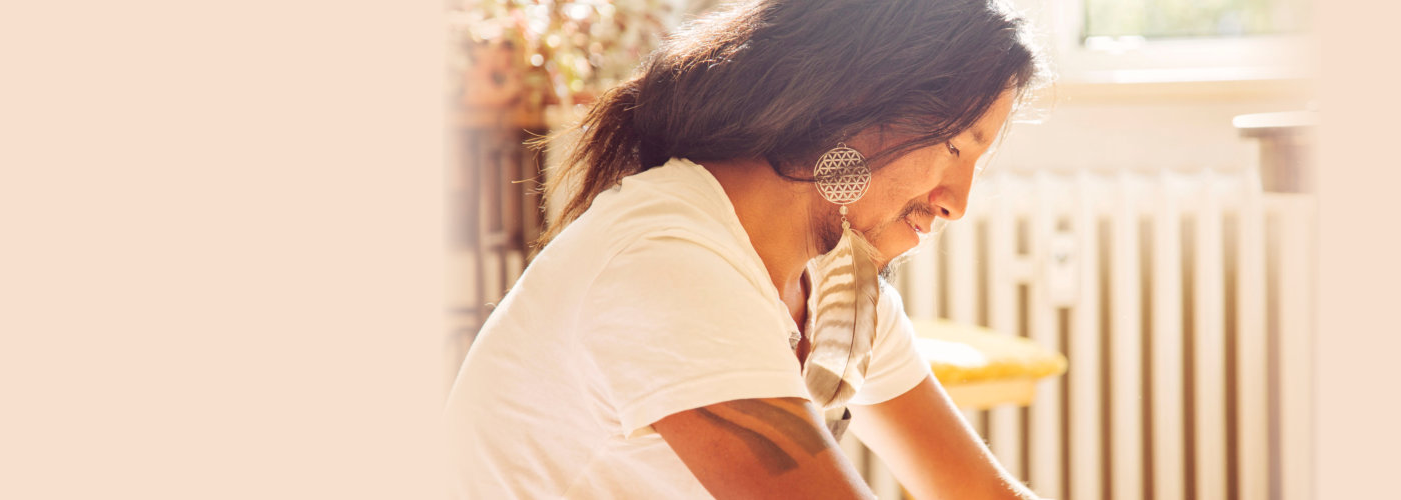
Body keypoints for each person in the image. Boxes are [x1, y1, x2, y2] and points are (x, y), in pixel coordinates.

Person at [445, 0, 1047, 497]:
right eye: (954, 148)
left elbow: (980, 492)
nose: (957, 203)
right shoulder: (670, 263)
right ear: (852, 106)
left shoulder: (839, 288)